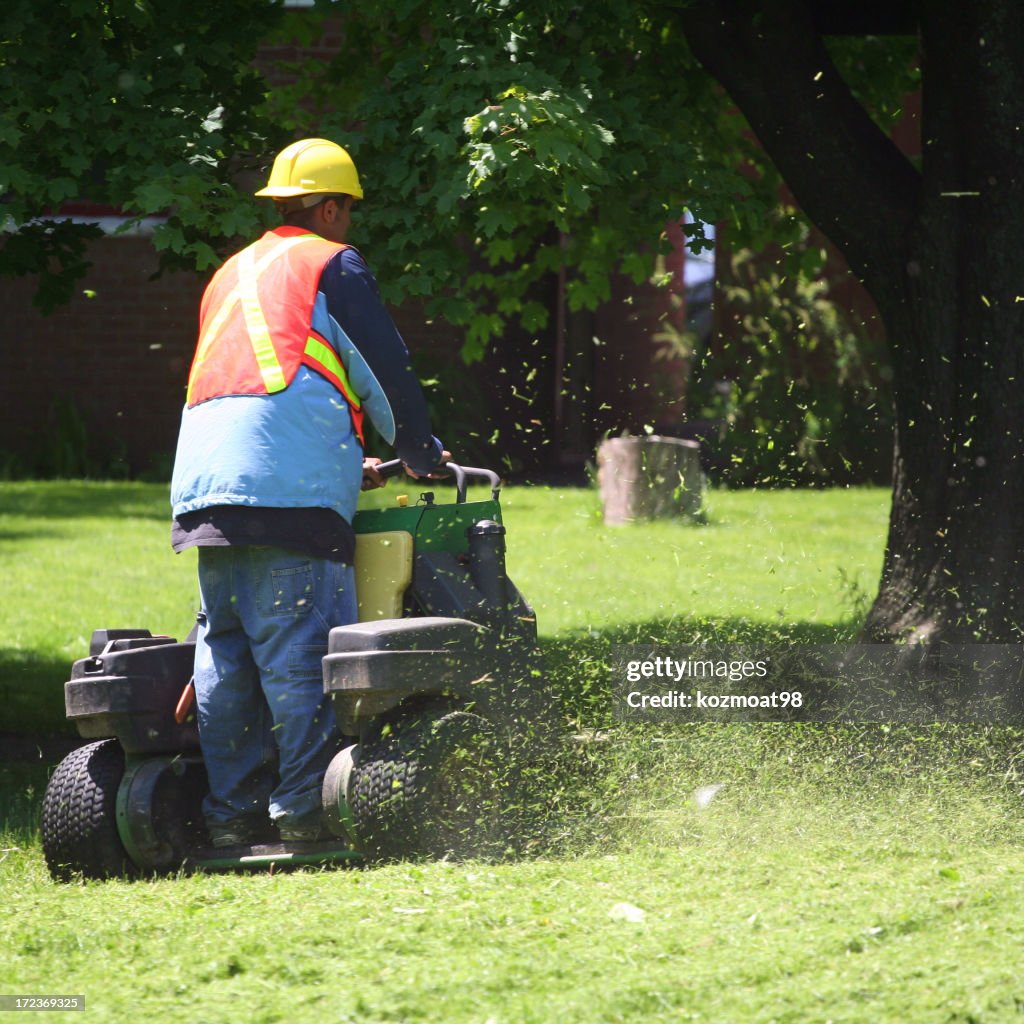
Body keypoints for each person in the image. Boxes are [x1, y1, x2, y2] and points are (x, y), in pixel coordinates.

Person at [169, 138, 447, 848]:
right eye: (346, 209)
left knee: (225, 663)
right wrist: (417, 449)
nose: (349, 223)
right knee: (301, 660)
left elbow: (272, 383)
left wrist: (342, 460)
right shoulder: (331, 263)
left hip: (206, 491)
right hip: (287, 502)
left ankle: (228, 816)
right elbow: (383, 363)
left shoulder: (231, 273)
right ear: (329, 207)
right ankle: (301, 815)